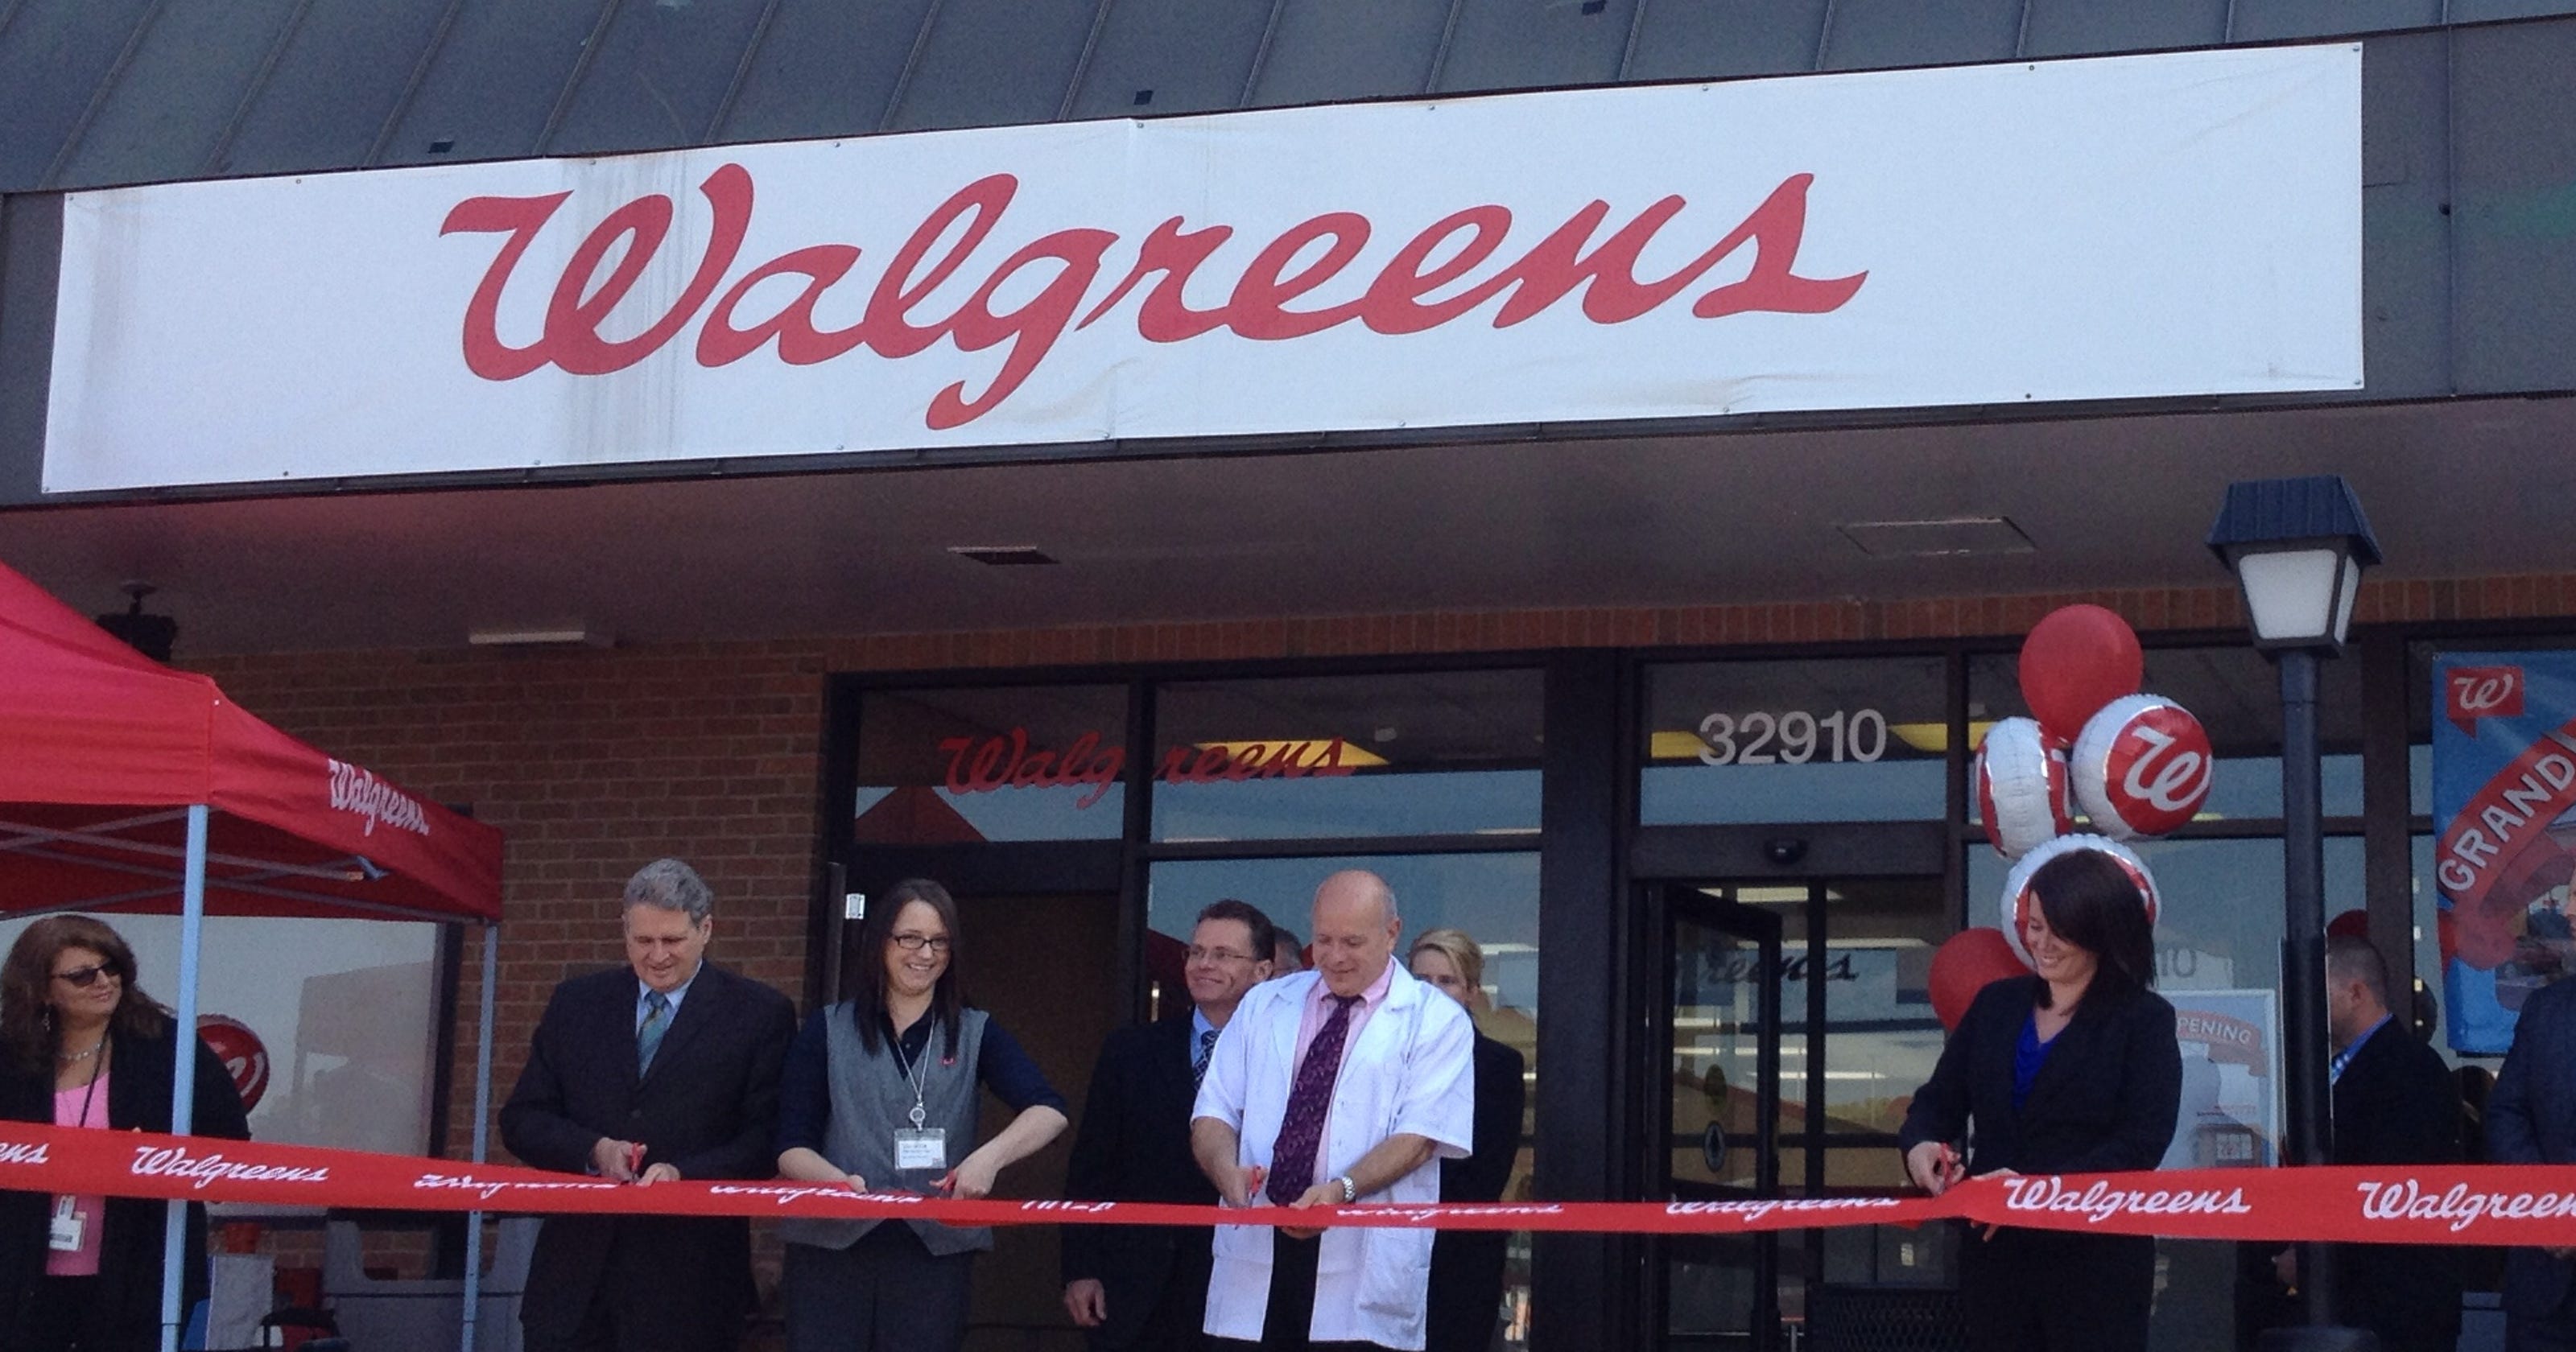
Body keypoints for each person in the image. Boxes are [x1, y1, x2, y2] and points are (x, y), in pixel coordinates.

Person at [501, 859, 798, 1352]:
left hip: (691, 1287)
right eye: (643, 941)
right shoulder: (576, 1004)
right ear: (625, 931)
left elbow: (766, 1140)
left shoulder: (759, 1014)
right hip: (574, 1285)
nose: (657, 956)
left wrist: (684, 1173)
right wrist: (593, 1150)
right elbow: (522, 1118)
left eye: (673, 941)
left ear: (706, 930)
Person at [1897, 849, 2182, 1352]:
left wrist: (2036, 1191)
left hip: (2094, 1264)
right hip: (1995, 1260)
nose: (2041, 945)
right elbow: (1938, 1100)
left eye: (2059, 931)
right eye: (2034, 927)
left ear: (2100, 931)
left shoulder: (2143, 1019)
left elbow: (2142, 1142)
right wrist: (1921, 1147)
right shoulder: (1995, 1005)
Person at [775, 877, 1069, 1352]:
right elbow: (790, 1147)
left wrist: (987, 1160)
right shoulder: (826, 1030)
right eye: (909, 938)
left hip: (932, 1254)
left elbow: (1049, 1111)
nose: (924, 954)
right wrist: (837, 1183)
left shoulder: (977, 1031)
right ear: (880, 943)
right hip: (831, 1249)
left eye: (938, 941)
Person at [1192, 870, 1476, 1351]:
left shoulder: (1436, 1018)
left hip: (1361, 1256)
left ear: (1392, 933)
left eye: (1352, 941)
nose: (1336, 956)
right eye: (1323, 940)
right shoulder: (1264, 1003)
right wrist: (1225, 1170)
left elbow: (1420, 1137)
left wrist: (1340, 1191)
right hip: (1259, 1242)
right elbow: (1214, 1111)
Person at [0, 916, 252, 1352]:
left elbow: (229, 1146)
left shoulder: (169, 1048)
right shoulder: (13, 1055)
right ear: (41, 990)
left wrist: (156, 1154)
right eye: (82, 975)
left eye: (111, 967)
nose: (102, 982)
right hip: (22, 1274)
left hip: (138, 1270)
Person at [1063, 900, 1279, 1352]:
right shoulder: (1131, 1050)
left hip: (1246, 1283)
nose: (1204, 964)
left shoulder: (1287, 1059)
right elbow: (1092, 1163)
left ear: (1262, 971)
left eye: (1223, 954)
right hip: (1139, 1285)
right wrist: (1081, 1268)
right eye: (1196, 952)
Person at [1406, 929, 1525, 1352]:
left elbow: (1487, 1174)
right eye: (1421, 981)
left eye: (1447, 981)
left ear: (1472, 992)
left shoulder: (1498, 1065)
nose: (1432, 993)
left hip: (1459, 1256)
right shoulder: (1379, 1056)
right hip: (1381, 1251)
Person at [2491, 969, 2576, 1350]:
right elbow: (2506, 1112)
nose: (2570, 911)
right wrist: (2549, 1207)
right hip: (2545, 1289)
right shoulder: (2546, 1008)